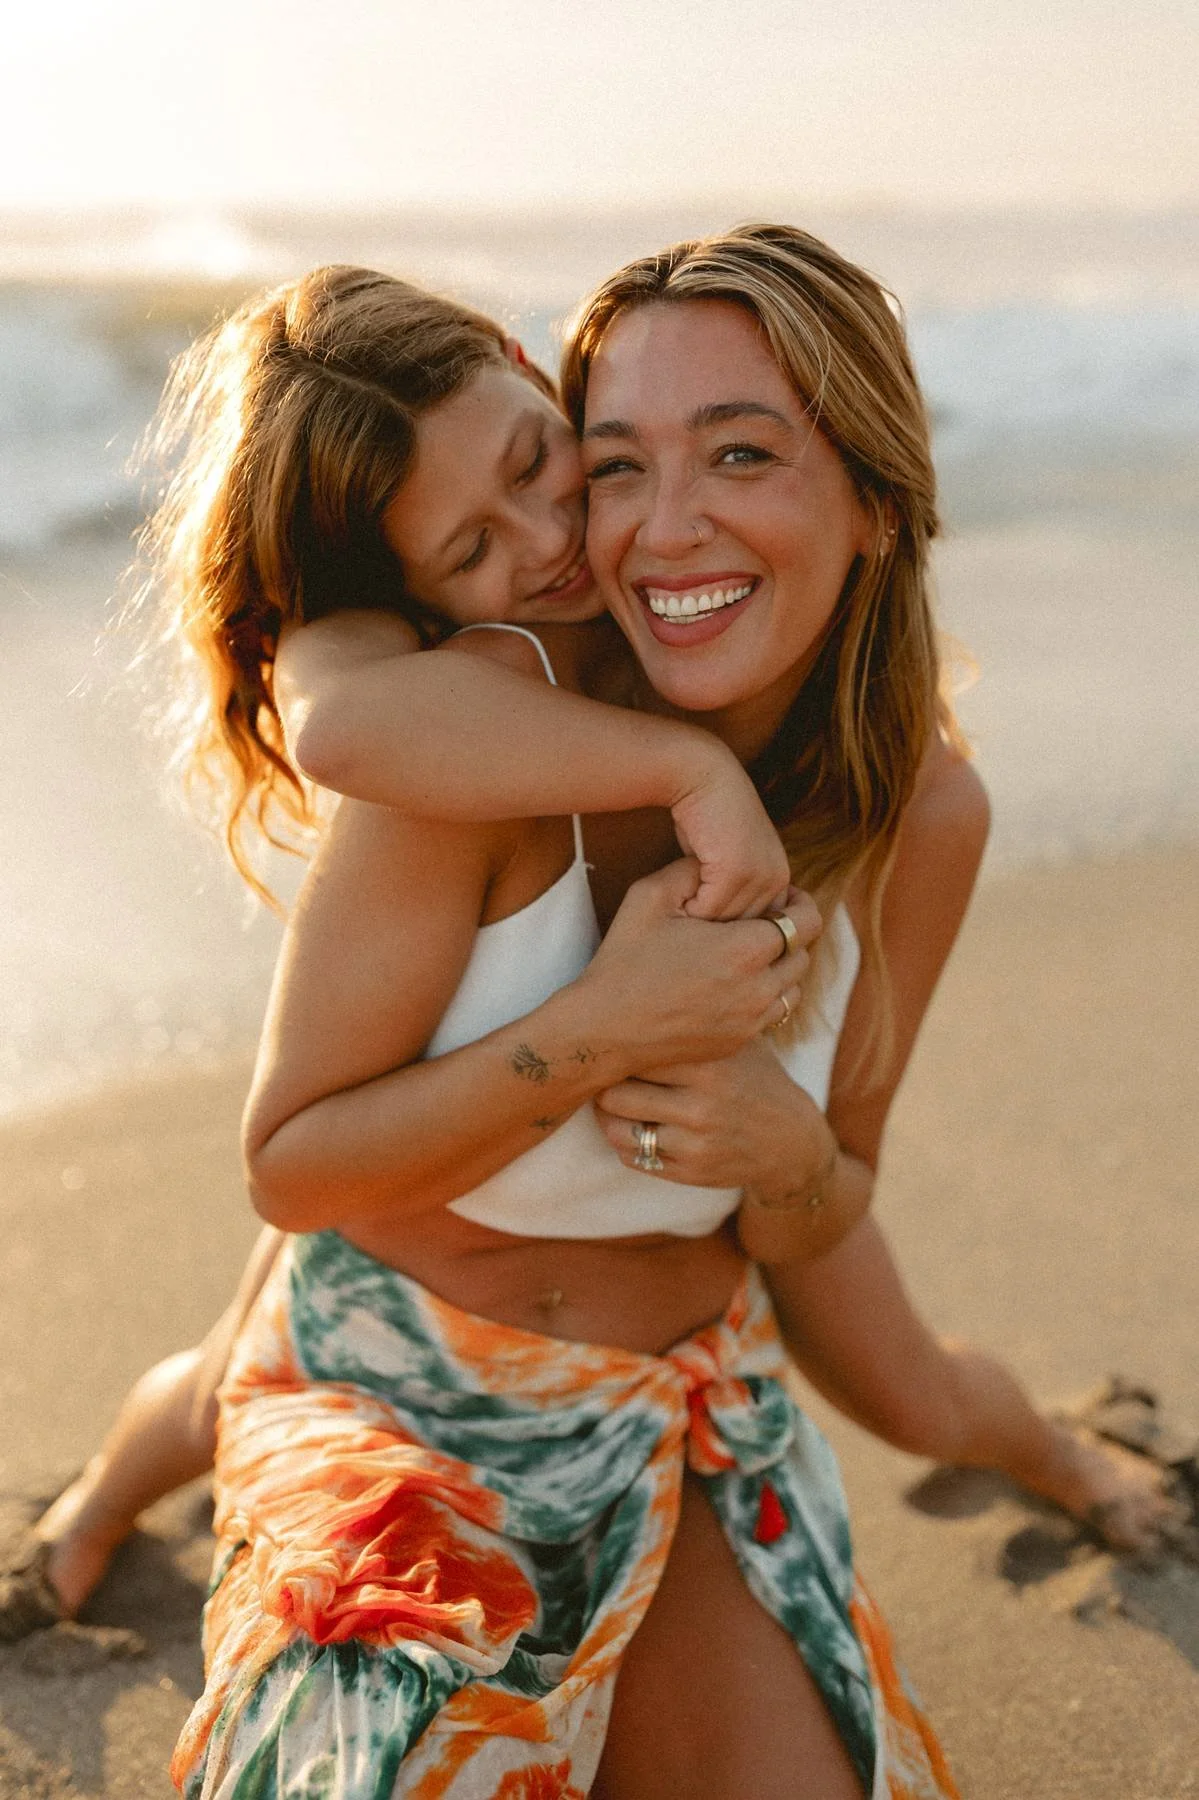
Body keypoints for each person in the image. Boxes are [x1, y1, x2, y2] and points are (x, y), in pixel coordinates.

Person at [0, 233, 1167, 1786]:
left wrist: (786, 1156)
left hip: (666, 1400)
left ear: (877, 497)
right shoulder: (462, 727)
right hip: (397, 1373)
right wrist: (614, 1005)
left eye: (735, 454)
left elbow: (836, 1204)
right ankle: (93, 1509)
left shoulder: (921, 818)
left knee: (922, 1398)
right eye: (617, 467)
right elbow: (295, 1140)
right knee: (224, 1375)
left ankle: (1056, 1449)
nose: (609, 531)